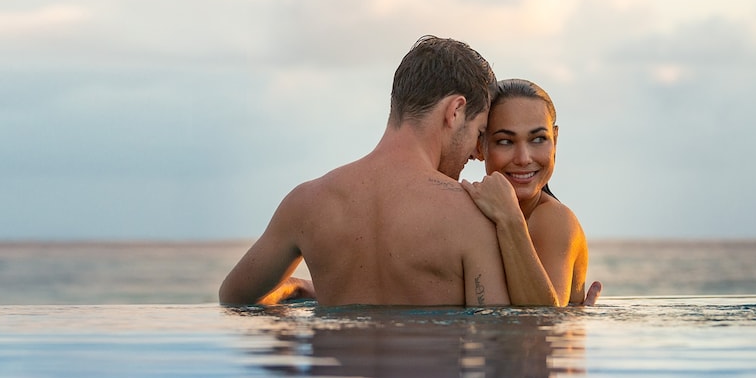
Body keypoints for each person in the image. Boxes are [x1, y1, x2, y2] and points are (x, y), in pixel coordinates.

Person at [218, 35, 510, 307]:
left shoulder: (306, 204)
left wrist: (304, 293)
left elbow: (233, 298)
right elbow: (499, 340)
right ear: (455, 110)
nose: (476, 152)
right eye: (479, 132)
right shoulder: (470, 215)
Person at [461, 79, 600, 306]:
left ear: (555, 140)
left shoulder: (556, 220)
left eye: (538, 139)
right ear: (479, 146)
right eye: (505, 141)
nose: (524, 158)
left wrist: (510, 218)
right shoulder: (471, 212)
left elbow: (542, 320)